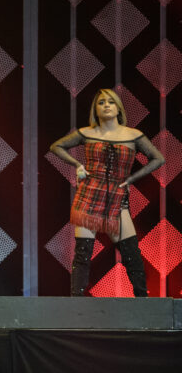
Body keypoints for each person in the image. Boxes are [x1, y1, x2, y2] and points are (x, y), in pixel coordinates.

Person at [50, 88, 165, 297]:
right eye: (101, 102)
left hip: (116, 198)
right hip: (89, 196)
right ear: (95, 109)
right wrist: (78, 164)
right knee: (82, 254)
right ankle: (75, 305)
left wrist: (132, 179)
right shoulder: (87, 133)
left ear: (118, 108)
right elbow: (56, 146)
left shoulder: (133, 135)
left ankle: (144, 303)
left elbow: (158, 158)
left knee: (131, 253)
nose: (106, 106)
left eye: (110, 102)